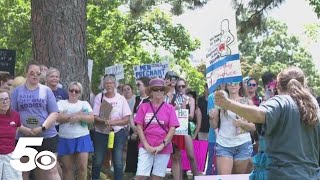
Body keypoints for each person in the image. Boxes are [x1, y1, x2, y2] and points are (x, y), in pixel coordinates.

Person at [215, 67, 320, 179]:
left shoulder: (281, 101)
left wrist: (228, 104)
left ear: (278, 85)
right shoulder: (313, 107)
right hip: (311, 175)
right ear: (303, 85)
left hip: (283, 175)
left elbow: (259, 114)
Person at [11, 62, 60, 180]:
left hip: (46, 135)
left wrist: (42, 127)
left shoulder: (47, 91)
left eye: (38, 73)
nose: (35, 76)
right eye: (32, 73)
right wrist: (23, 129)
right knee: (23, 171)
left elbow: (54, 113)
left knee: (50, 169)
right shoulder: (17, 91)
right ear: (26, 73)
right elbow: (12, 115)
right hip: (24, 136)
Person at [135, 78, 179, 180]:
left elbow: (172, 129)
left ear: (164, 91)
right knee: (140, 176)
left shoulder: (170, 108)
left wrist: (161, 145)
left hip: (164, 147)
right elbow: (139, 126)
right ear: (151, 91)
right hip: (146, 145)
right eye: (156, 89)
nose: (159, 91)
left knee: (157, 177)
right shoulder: (143, 107)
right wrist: (145, 144)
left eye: (161, 89)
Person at [210, 82, 255, 175]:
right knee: (224, 177)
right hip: (224, 144)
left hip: (243, 144)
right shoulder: (220, 102)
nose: (233, 85)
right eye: (230, 83)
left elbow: (254, 127)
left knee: (238, 177)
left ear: (240, 85)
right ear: (226, 85)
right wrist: (212, 117)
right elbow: (214, 125)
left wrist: (242, 124)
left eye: (236, 83)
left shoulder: (247, 102)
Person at [91, 74, 131, 180]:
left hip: (117, 133)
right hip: (101, 132)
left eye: (111, 82)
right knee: (98, 160)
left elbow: (126, 119)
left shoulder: (121, 99)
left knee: (118, 161)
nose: (109, 85)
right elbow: (94, 116)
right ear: (103, 84)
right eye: (106, 82)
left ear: (115, 84)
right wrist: (105, 121)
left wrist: (113, 123)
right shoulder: (100, 97)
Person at [57, 82, 94, 180]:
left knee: (82, 167)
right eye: (71, 90)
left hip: (82, 137)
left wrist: (79, 117)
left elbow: (91, 118)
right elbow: (58, 117)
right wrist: (77, 114)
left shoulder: (84, 103)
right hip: (65, 138)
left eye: (76, 91)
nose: (73, 93)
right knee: (67, 168)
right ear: (68, 91)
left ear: (80, 93)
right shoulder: (61, 103)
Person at [0, 89, 33, 180]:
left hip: (10, 154)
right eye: (1, 99)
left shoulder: (15, 115)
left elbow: (14, 134)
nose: (5, 102)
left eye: (7, 99)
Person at [171, 78, 198, 179]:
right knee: (176, 156)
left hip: (185, 127)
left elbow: (191, 116)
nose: (181, 88)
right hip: (175, 129)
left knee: (191, 155)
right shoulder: (173, 99)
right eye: (179, 86)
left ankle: (196, 176)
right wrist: (175, 109)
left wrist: (183, 109)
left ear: (186, 87)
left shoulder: (190, 99)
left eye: (183, 86)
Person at [125, 77, 151, 175]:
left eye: (139, 85)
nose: (137, 87)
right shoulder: (137, 99)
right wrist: (133, 127)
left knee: (143, 157)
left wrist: (138, 132)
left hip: (144, 132)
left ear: (146, 86)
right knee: (133, 156)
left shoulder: (150, 100)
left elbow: (149, 118)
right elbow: (131, 114)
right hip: (134, 129)